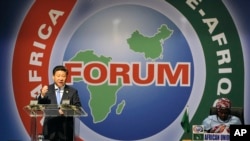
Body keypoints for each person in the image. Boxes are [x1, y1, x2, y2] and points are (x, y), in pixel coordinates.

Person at [38, 65, 82, 141]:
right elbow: (39, 106)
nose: (61, 78)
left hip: (66, 131)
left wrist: (65, 111)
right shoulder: (46, 90)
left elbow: (78, 108)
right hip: (50, 130)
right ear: (53, 77)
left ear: (66, 77)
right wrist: (42, 95)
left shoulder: (72, 91)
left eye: (63, 76)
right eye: (58, 76)